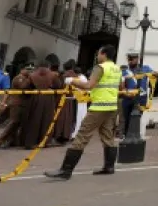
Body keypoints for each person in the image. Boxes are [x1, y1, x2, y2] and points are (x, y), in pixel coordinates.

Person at [45, 45, 122, 180]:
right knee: (108, 137)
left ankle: (66, 170)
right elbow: (120, 87)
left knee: (82, 136)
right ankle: (109, 167)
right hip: (111, 107)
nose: (97, 56)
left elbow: (88, 86)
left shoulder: (100, 67)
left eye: (98, 53)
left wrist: (72, 81)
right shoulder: (117, 69)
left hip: (98, 107)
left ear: (103, 54)